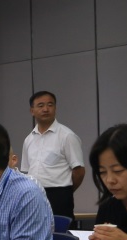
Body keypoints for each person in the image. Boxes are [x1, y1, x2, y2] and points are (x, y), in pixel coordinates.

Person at [20, 90, 85, 220]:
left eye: (50, 105)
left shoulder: (67, 136)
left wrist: (66, 191)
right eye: (40, 105)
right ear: (32, 111)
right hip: (34, 195)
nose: (46, 109)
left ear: (55, 108)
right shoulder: (28, 139)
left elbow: (79, 171)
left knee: (60, 230)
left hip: (59, 195)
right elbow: (26, 171)